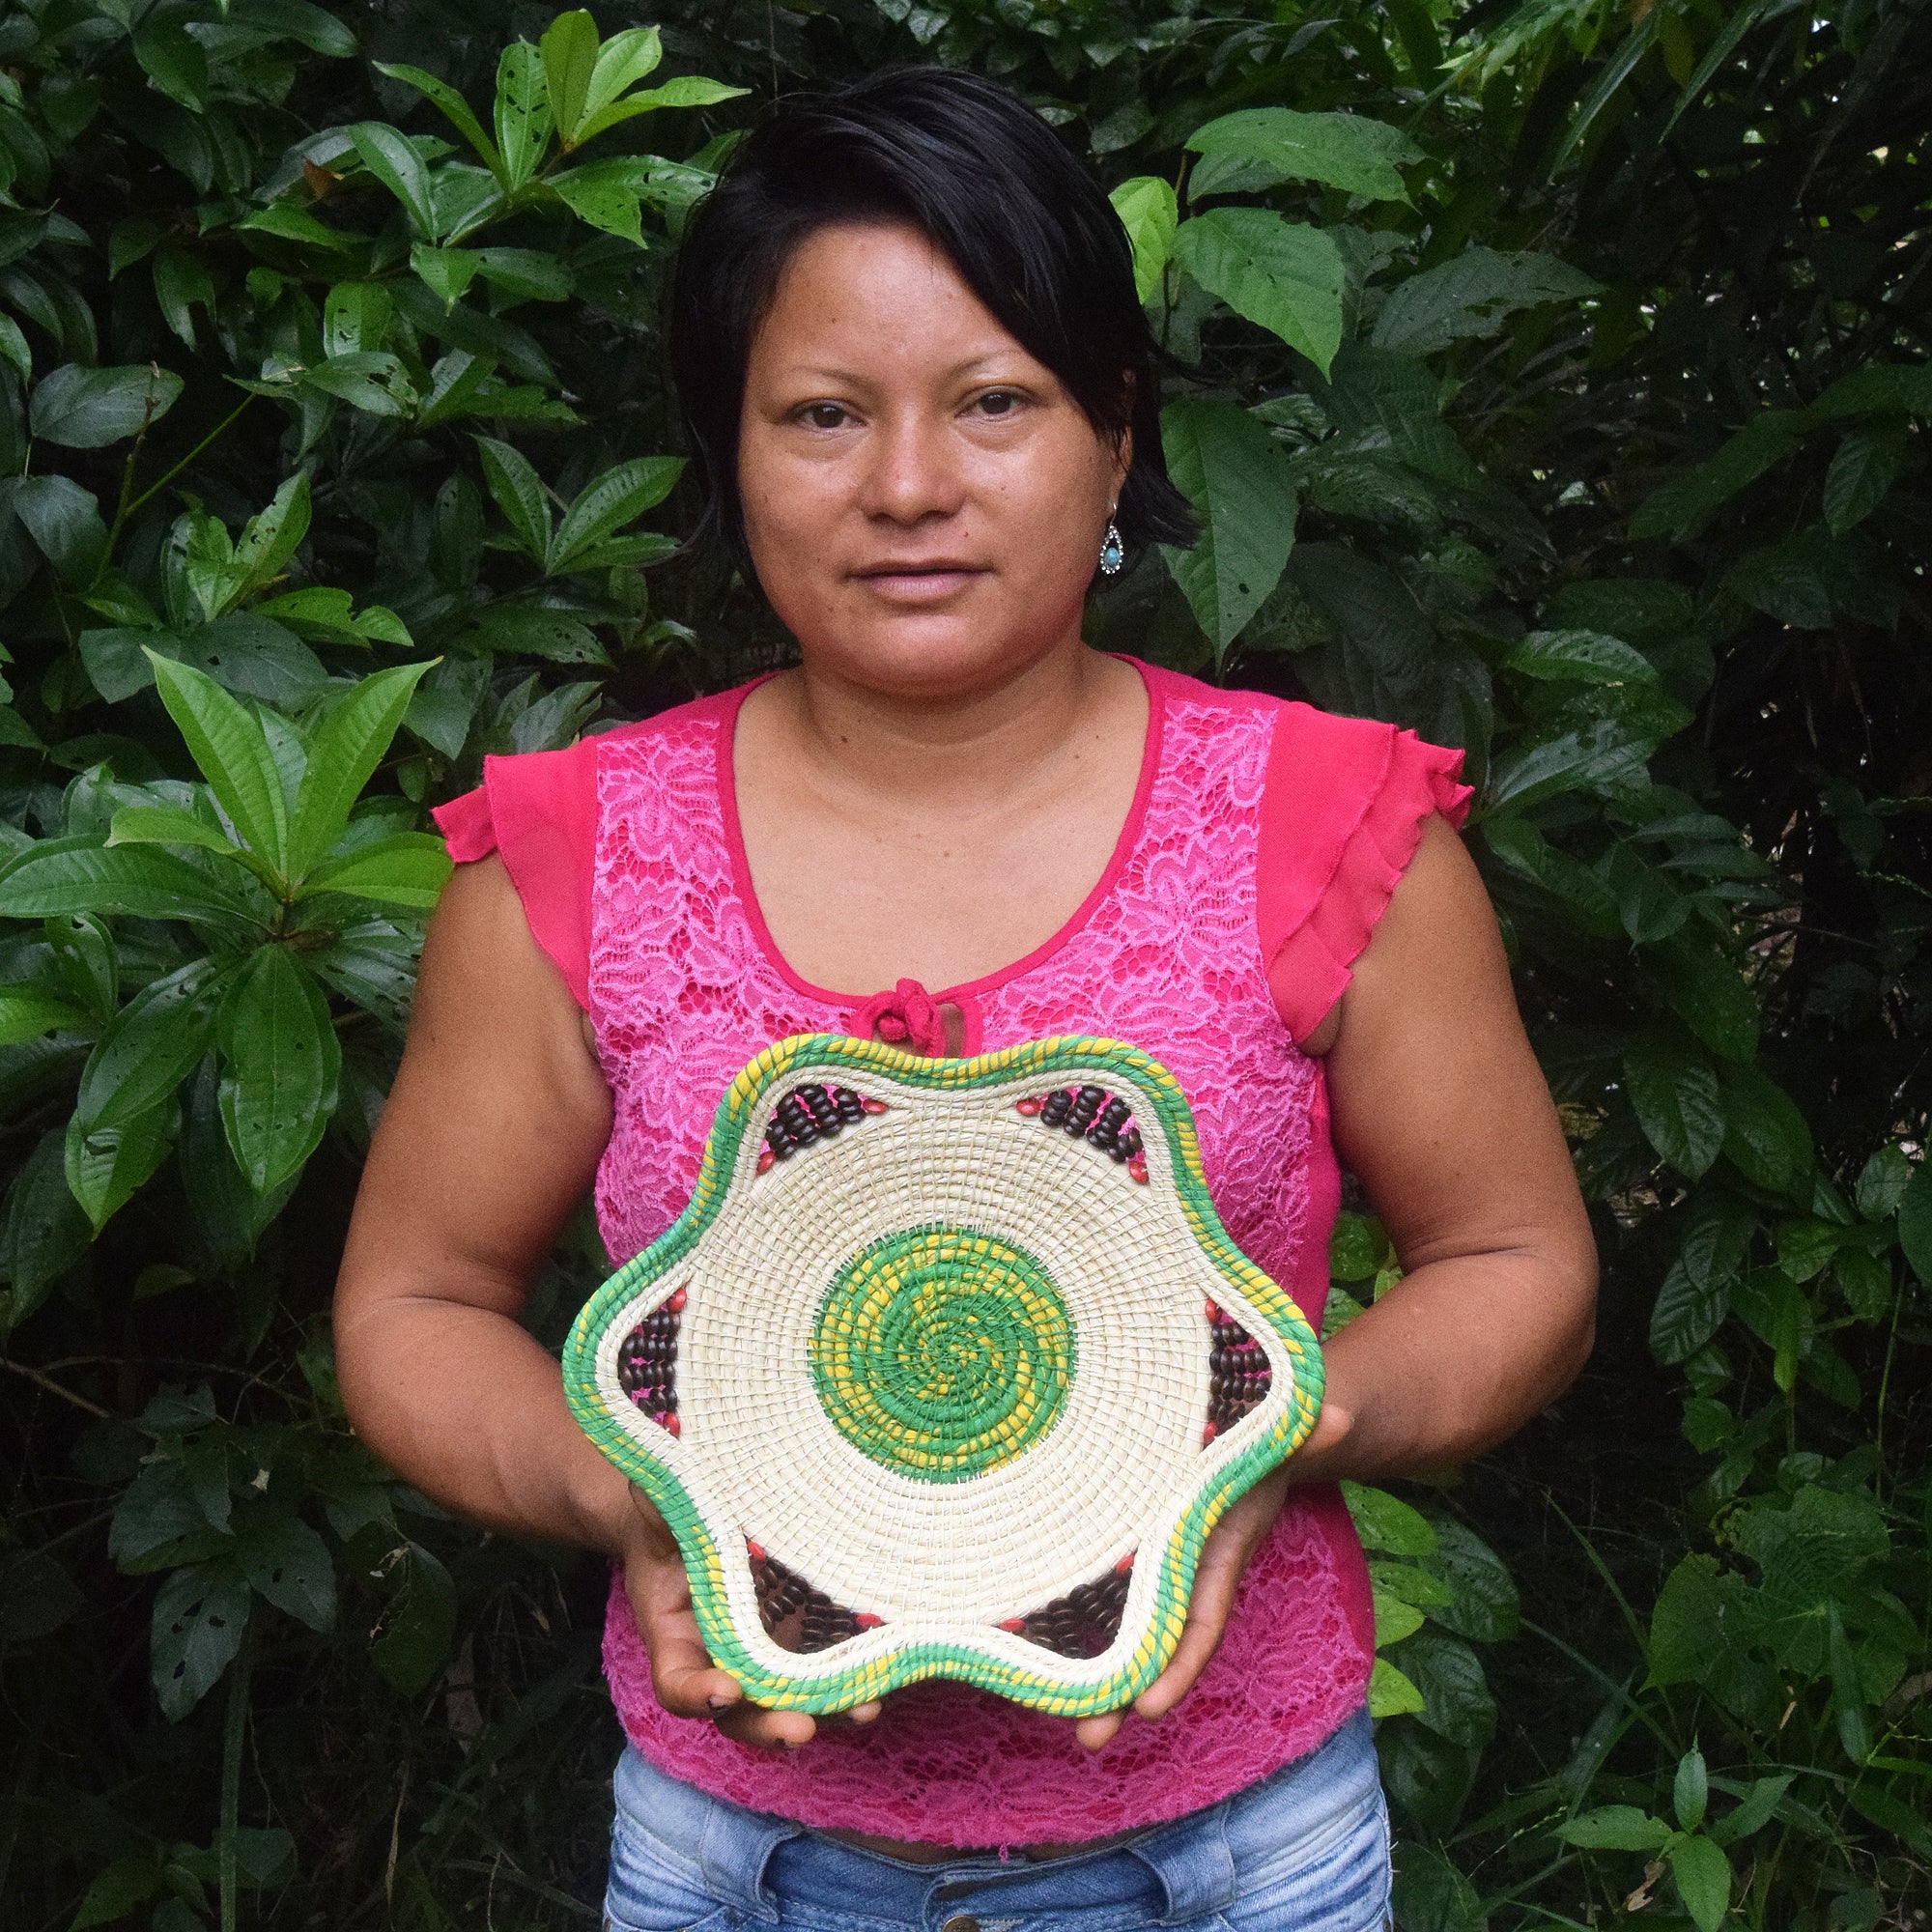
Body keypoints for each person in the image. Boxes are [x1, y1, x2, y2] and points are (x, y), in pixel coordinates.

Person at [333, 64, 1597, 1932]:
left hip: (1238, 1861)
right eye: (823, 414)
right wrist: (625, 1502)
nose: (908, 486)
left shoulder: (1325, 827)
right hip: (739, 1860)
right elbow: (417, 1304)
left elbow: (1520, 1266)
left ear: (1115, 431)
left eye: (995, 401)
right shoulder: (577, 858)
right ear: (730, 450)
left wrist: (1287, 1436)